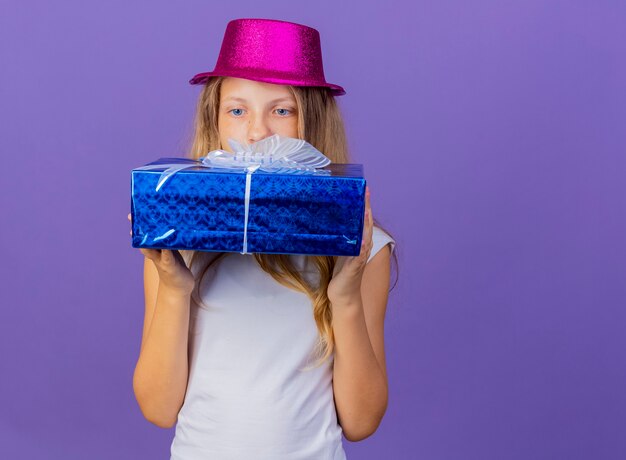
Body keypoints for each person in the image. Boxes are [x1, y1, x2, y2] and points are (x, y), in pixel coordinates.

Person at [129, 18, 398, 459]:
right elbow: (158, 408)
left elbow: (361, 421)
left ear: (312, 120)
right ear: (214, 123)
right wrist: (175, 289)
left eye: (282, 110)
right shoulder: (176, 244)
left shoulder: (366, 250)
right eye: (238, 111)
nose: (257, 133)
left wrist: (345, 298)